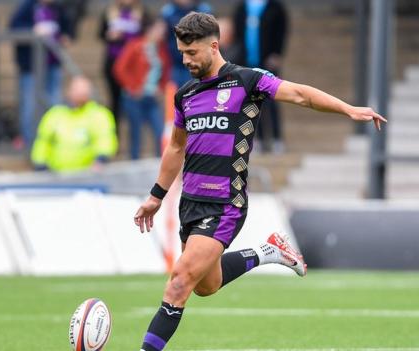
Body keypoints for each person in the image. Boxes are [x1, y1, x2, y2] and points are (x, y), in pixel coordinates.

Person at [133, 12, 386, 351]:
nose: (186, 60)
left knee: (178, 283)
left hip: (225, 202)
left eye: (192, 53)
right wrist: (156, 196)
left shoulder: (247, 81)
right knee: (205, 285)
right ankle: (268, 252)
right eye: (181, 52)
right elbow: (176, 147)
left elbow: (299, 94)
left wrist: (349, 109)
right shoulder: (186, 95)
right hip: (190, 202)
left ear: (213, 45)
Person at [10, 0, 71, 148]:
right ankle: (29, 142)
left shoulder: (58, 8)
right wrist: (33, 30)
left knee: (54, 102)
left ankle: (55, 140)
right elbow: (13, 27)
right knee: (29, 105)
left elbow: (67, 28)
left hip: (52, 63)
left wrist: (66, 36)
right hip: (31, 66)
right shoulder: (27, 6)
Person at [233, 0, 288, 153]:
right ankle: (255, 139)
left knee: (271, 101)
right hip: (247, 63)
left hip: (267, 63)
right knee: (249, 102)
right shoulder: (242, 7)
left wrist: (277, 53)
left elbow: (281, 31)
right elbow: (237, 33)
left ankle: (276, 139)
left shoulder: (275, 7)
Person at [31, 76, 118, 172]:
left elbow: (105, 140)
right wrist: (40, 164)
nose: (80, 94)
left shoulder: (99, 115)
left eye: (83, 91)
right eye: (76, 90)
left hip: (88, 176)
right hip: (56, 176)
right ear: (68, 91)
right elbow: (42, 141)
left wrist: (101, 159)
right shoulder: (55, 114)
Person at [113, 19, 171, 160]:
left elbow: (166, 70)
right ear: (149, 30)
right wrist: (133, 87)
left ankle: (160, 162)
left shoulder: (161, 49)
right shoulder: (135, 46)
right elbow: (119, 69)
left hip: (152, 97)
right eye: (158, 30)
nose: (161, 34)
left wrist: (161, 88)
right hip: (134, 97)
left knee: (159, 131)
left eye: (163, 31)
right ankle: (135, 162)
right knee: (136, 133)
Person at [98, 0, 150, 135]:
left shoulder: (142, 12)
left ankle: (135, 140)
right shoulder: (110, 11)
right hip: (113, 62)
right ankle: (114, 136)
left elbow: (147, 34)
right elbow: (101, 34)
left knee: (133, 103)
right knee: (115, 102)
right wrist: (110, 35)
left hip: (133, 65)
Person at [161, 0, 212, 88]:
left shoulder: (204, 9)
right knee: (177, 96)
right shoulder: (168, 11)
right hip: (176, 64)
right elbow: (163, 36)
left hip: (198, 63)